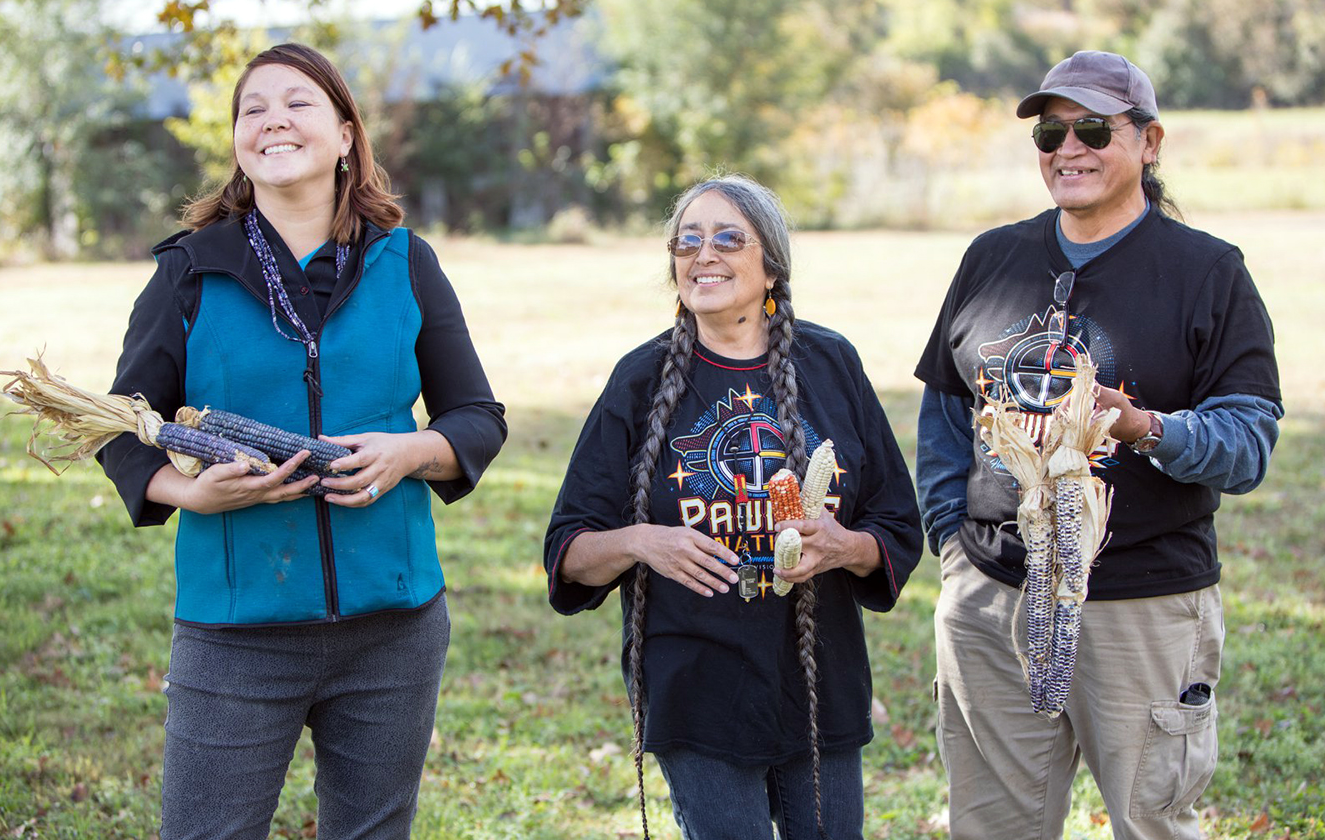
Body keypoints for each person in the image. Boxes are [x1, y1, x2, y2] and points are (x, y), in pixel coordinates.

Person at [97, 43, 506, 839]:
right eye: (254, 108)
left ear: (347, 134)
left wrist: (408, 454)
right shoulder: (189, 270)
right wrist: (187, 491)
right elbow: (123, 422)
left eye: (299, 103)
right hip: (237, 633)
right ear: (240, 142)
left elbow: (475, 417)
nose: (274, 120)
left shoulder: (406, 262)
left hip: (395, 627)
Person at [914, 50, 1282, 840]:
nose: (1068, 148)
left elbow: (1249, 443)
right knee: (990, 829)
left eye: (1092, 128)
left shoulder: (1208, 272)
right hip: (992, 601)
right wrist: (953, 544)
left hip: (1141, 605)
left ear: (1150, 143)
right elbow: (946, 409)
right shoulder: (992, 257)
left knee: (1151, 824)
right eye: (1051, 132)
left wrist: (1140, 426)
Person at [543, 174, 923, 839]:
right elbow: (568, 552)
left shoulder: (831, 364)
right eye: (686, 241)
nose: (703, 254)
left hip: (816, 680)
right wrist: (640, 543)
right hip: (695, 686)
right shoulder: (640, 378)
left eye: (728, 238)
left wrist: (844, 545)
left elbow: (896, 526)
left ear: (770, 263)